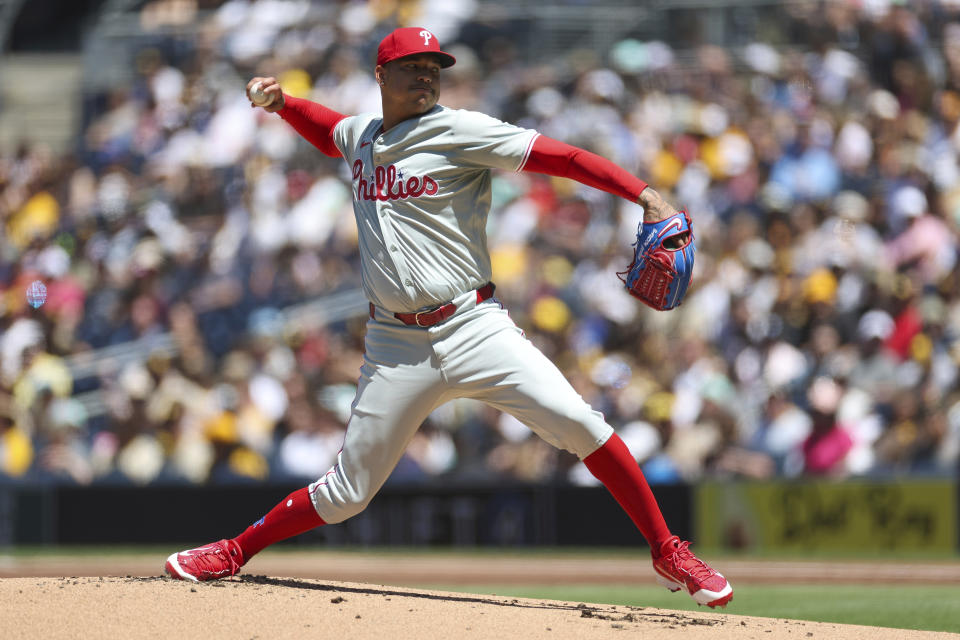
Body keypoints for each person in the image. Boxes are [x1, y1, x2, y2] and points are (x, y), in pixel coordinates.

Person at [163, 27, 733, 608]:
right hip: (394, 342)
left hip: (473, 325)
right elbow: (330, 131)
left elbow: (563, 157)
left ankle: (668, 551)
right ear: (382, 76)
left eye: (433, 66)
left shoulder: (459, 129)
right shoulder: (362, 134)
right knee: (346, 494)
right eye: (413, 66)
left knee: (582, 425)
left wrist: (645, 195)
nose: (427, 75)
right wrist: (285, 106)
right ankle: (234, 551)